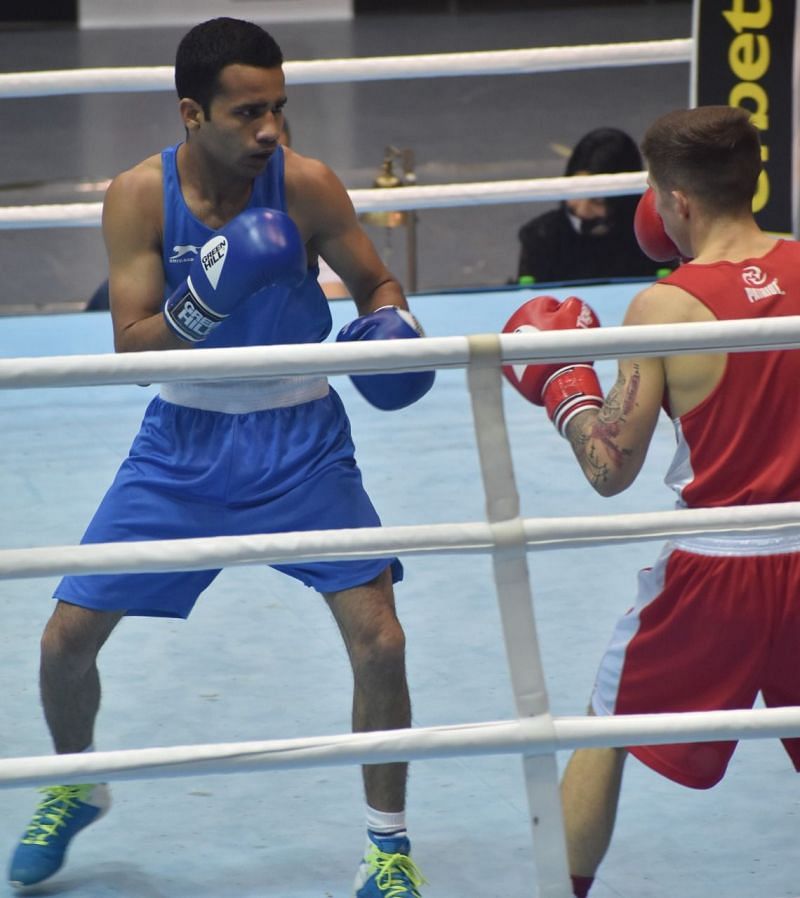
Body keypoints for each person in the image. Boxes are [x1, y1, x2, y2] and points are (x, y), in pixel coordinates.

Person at [9, 17, 434, 898]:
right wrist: (208, 296)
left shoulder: (307, 185)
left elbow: (376, 284)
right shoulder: (136, 196)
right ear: (191, 113)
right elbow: (135, 353)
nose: (271, 130)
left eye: (279, 108)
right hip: (182, 443)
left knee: (380, 642)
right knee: (64, 643)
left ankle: (388, 849)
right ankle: (74, 781)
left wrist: (394, 330)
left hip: (302, 440)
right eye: (249, 113)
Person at [502, 105, 800, 897]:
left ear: (675, 202)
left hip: (717, 569)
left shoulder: (665, 307)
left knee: (606, 728)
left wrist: (567, 392)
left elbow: (611, 469)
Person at [516, 127, 673, 285]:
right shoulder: (539, 237)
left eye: (597, 201)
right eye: (576, 192)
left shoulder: (654, 241)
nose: (582, 210)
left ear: (623, 201)